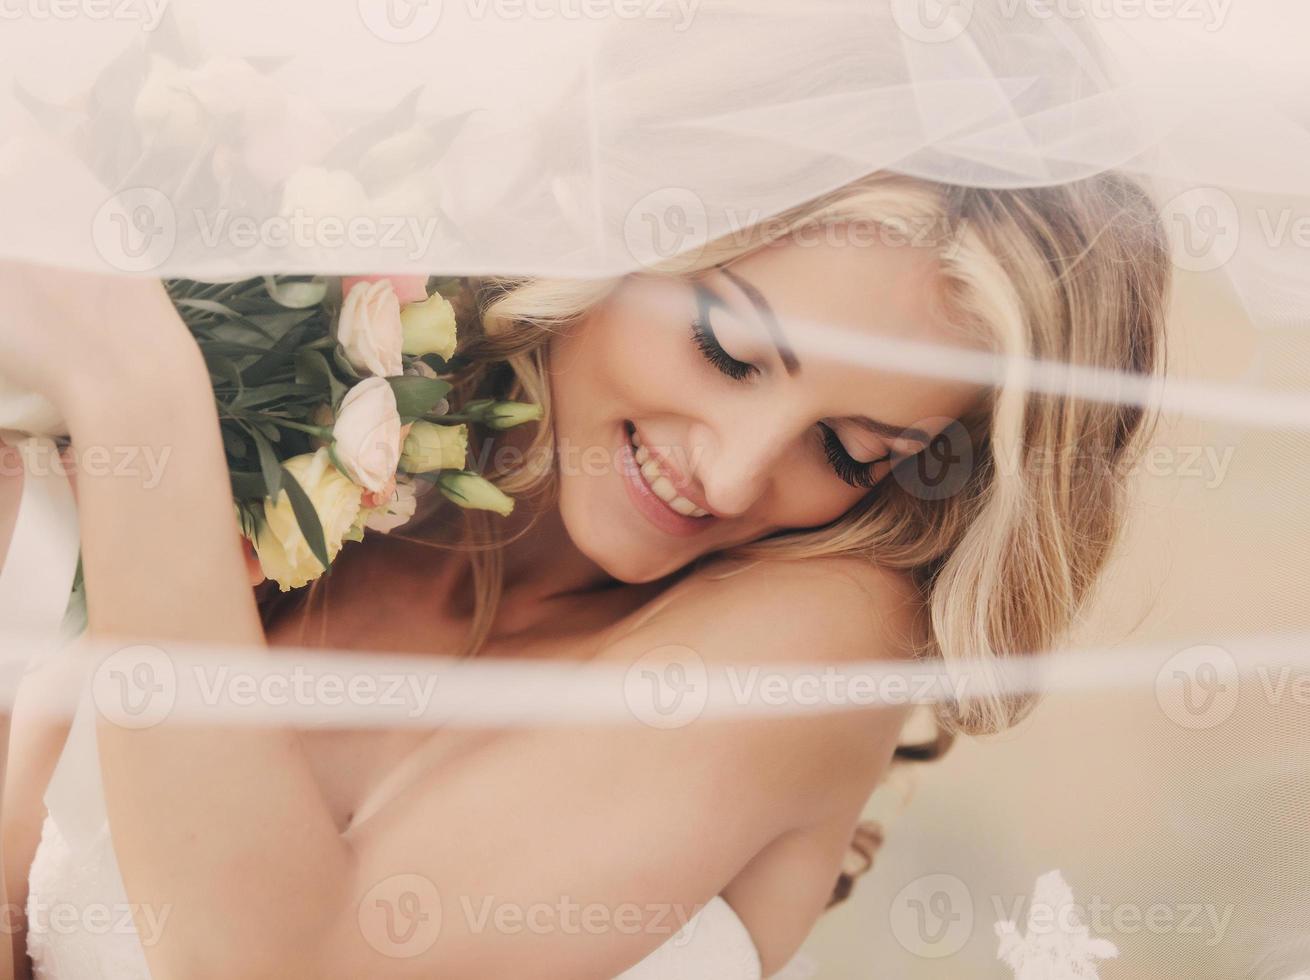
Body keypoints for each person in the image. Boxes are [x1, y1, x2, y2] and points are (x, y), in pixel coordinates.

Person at [0, 168, 1167, 978]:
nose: (734, 471)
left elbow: (274, 964)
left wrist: (131, 381)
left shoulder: (824, 638)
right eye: (728, 349)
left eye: (854, 450)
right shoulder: (313, 429)